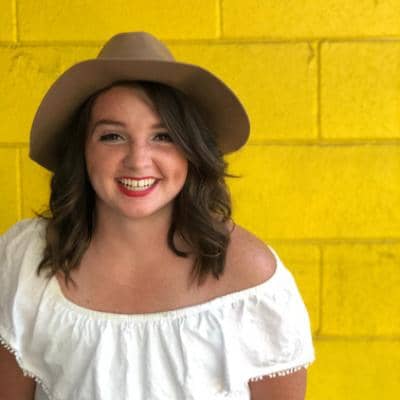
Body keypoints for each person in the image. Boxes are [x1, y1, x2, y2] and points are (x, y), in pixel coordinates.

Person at [0, 32, 315, 400]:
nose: (138, 160)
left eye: (163, 136)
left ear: (192, 150)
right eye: (112, 136)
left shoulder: (251, 279)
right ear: (82, 150)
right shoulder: (27, 259)